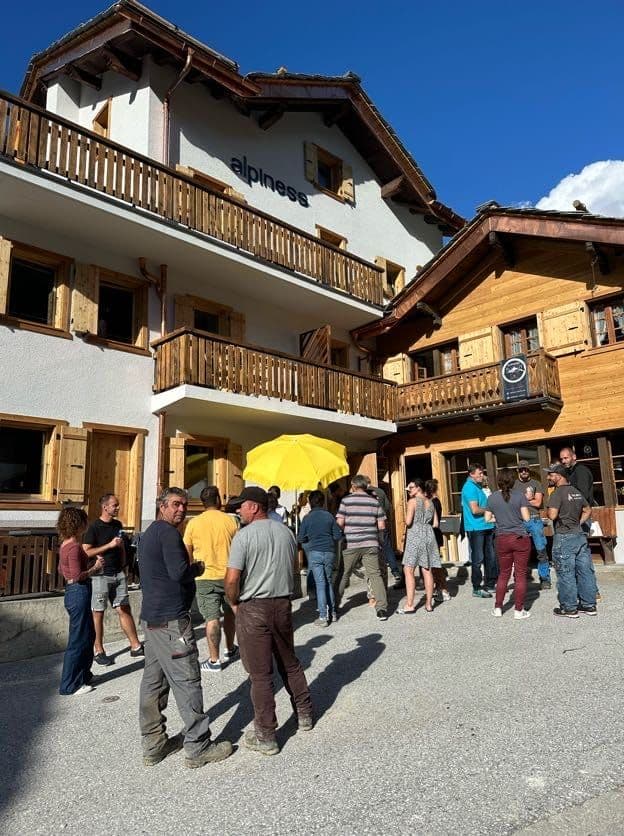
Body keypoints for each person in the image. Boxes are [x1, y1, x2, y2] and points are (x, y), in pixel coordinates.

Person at [138, 487, 233, 768]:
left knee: (153, 684)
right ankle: (198, 746)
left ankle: (153, 744)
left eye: (183, 505)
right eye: (175, 505)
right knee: (187, 679)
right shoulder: (168, 533)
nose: (180, 510)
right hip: (171, 622)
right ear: (162, 506)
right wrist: (197, 568)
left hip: (152, 620)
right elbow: (179, 572)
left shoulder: (148, 533)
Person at [224, 487, 313, 755]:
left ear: (254, 506)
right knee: (290, 662)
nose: (238, 510)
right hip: (283, 602)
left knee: (260, 674)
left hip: (254, 605)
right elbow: (294, 566)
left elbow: (231, 579)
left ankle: (266, 735)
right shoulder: (286, 532)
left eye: (241, 506)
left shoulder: (244, 536)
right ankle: (305, 714)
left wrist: (234, 602)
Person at [83, 494, 144, 666]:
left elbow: (121, 545)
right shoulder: (94, 527)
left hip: (118, 573)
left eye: (118, 505)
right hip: (100, 575)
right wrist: (109, 546)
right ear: (105, 507)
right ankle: (99, 651)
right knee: (98, 613)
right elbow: (86, 551)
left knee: (124, 608)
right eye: (115, 505)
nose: (118, 508)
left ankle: (135, 646)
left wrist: (123, 560)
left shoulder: (117, 525)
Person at [183, 486, 239, 673]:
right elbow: (240, 548)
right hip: (229, 574)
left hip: (204, 576)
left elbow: (187, 551)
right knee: (230, 613)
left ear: (202, 502)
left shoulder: (193, 523)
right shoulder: (231, 521)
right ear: (218, 500)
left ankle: (214, 660)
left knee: (211, 618)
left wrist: (192, 570)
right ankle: (230, 648)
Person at [58, 507, 105, 696]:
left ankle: (84, 675)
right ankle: (70, 685)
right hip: (78, 591)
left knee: (88, 634)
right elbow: (78, 575)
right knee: (78, 639)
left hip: (73, 591)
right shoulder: (74, 547)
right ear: (79, 524)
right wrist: (96, 567)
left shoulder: (65, 544)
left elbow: (64, 570)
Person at [545, 464, 597, 618]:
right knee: (585, 571)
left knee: (566, 573)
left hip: (564, 536)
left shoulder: (557, 493)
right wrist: (578, 523)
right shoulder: (576, 492)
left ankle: (569, 608)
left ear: (559, 476)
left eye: (551, 474)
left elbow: (552, 515)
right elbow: (588, 510)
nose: (549, 477)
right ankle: (588, 605)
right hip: (579, 535)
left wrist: (549, 511)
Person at [336, 474, 388, 621]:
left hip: (351, 543)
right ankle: (382, 609)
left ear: (353, 485)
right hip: (371, 543)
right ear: (366, 486)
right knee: (375, 575)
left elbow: (339, 523)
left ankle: (334, 606)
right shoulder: (374, 502)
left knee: (344, 574)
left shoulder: (346, 501)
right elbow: (382, 525)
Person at [485, 468, 532, 620]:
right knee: (520, 575)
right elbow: (526, 518)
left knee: (503, 574)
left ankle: (498, 607)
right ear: (513, 481)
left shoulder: (492, 498)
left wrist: (499, 519)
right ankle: (519, 610)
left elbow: (487, 519)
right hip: (519, 537)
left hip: (502, 538)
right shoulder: (520, 496)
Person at [297, 490, 343, 626]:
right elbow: (337, 536)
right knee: (328, 582)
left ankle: (323, 616)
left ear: (310, 503)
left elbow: (301, 538)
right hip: (329, 552)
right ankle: (333, 612)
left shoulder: (307, 518)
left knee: (320, 584)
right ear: (323, 502)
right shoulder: (329, 516)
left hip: (315, 552)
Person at [400, 480, 440, 614]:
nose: (408, 489)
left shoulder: (412, 501)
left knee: (408, 569)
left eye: (411, 487)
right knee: (427, 569)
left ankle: (410, 604)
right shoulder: (431, 502)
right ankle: (429, 604)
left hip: (415, 534)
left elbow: (408, 521)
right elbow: (435, 523)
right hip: (429, 535)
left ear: (418, 487)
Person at [461, 463, 498, 598]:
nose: (482, 476)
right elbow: (475, 510)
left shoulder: (478, 487)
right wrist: (490, 509)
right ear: (472, 474)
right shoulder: (469, 488)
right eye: (480, 473)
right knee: (478, 559)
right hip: (476, 527)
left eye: (482, 473)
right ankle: (477, 587)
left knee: (490, 556)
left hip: (487, 525)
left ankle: (490, 584)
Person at [514, 461, 551, 589]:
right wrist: (529, 498)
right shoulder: (513, 485)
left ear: (529, 470)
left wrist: (522, 499)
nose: (524, 472)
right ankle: (519, 578)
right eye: (521, 470)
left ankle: (545, 578)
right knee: (519, 551)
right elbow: (513, 504)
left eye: (526, 469)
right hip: (518, 521)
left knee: (541, 550)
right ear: (518, 471)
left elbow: (538, 503)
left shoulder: (536, 484)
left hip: (535, 519)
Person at [364, 477, 404, 589]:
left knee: (371, 549)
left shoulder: (363, 494)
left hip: (369, 525)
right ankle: (395, 571)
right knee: (387, 547)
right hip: (381, 523)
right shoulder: (380, 491)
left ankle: (375, 573)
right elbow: (388, 506)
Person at [425, 479, 451, 602]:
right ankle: (438, 587)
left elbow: (432, 521)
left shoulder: (433, 503)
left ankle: (444, 589)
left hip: (433, 534)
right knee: (432, 564)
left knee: (434, 565)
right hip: (435, 534)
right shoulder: (435, 501)